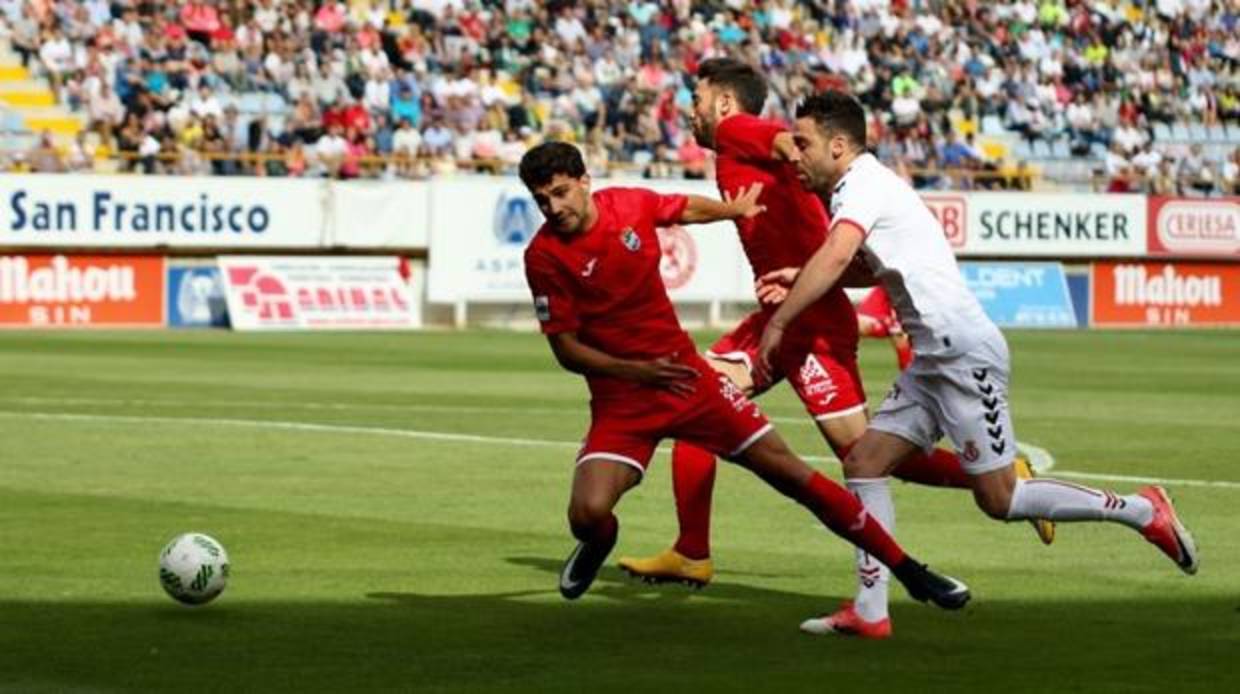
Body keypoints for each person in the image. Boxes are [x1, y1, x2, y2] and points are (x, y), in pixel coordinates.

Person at [617, 60, 1052, 638]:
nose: (688, 110)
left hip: (811, 323)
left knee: (864, 455)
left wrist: (797, 159)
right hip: (782, 313)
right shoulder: (741, 155)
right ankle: (692, 550)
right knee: (696, 398)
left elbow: (776, 142)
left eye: (695, 98)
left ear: (722, 104)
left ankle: (999, 479)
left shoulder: (734, 131)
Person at [755, 90, 1199, 634]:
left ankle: (1141, 509)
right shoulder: (863, 187)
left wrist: (781, 319)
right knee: (864, 462)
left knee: (1001, 499)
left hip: (962, 352)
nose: (793, 153)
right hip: (934, 360)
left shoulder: (862, 186)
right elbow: (871, 269)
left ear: (839, 145)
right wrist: (801, 277)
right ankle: (870, 612)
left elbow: (840, 254)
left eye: (803, 143)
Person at [518, 141, 970, 614]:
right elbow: (567, 350)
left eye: (561, 192)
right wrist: (637, 372)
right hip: (622, 401)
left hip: (690, 383)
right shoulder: (543, 257)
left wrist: (731, 210)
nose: (554, 207)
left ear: (585, 181)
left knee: (796, 477)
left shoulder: (629, 204)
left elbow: (683, 208)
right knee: (587, 514)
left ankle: (910, 571)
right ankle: (598, 542)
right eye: (542, 200)